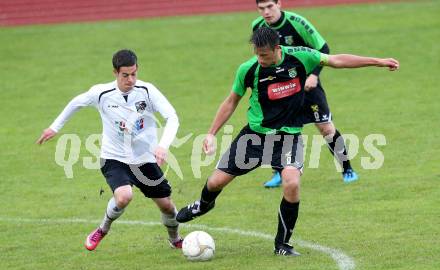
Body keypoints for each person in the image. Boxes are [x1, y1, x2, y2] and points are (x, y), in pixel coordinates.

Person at [176, 27, 399, 256]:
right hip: (255, 136)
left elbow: (337, 60)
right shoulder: (249, 69)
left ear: (277, 49)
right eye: (257, 53)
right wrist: (212, 133)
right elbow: (232, 101)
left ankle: (282, 244)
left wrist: (378, 61)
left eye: (264, 55)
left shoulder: (300, 56)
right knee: (215, 183)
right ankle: (203, 205)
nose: (260, 59)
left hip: (288, 137)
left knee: (291, 183)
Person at [36, 49, 184, 251]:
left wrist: (163, 146)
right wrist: (55, 127)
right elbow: (76, 103)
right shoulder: (101, 93)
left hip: (144, 158)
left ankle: (175, 239)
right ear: (115, 72)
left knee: (166, 205)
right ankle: (102, 229)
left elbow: (172, 117)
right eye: (125, 75)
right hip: (114, 157)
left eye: (134, 74)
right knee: (124, 196)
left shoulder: (147, 91)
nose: (130, 79)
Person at [253, 0, 358, 187]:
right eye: (262, 8)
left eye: (270, 6)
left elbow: (323, 49)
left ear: (279, 4)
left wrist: (314, 75)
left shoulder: (297, 22)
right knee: (277, 129)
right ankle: (278, 172)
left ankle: (347, 168)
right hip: (281, 90)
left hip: (307, 86)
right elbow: (262, 57)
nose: (266, 12)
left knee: (326, 128)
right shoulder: (258, 27)